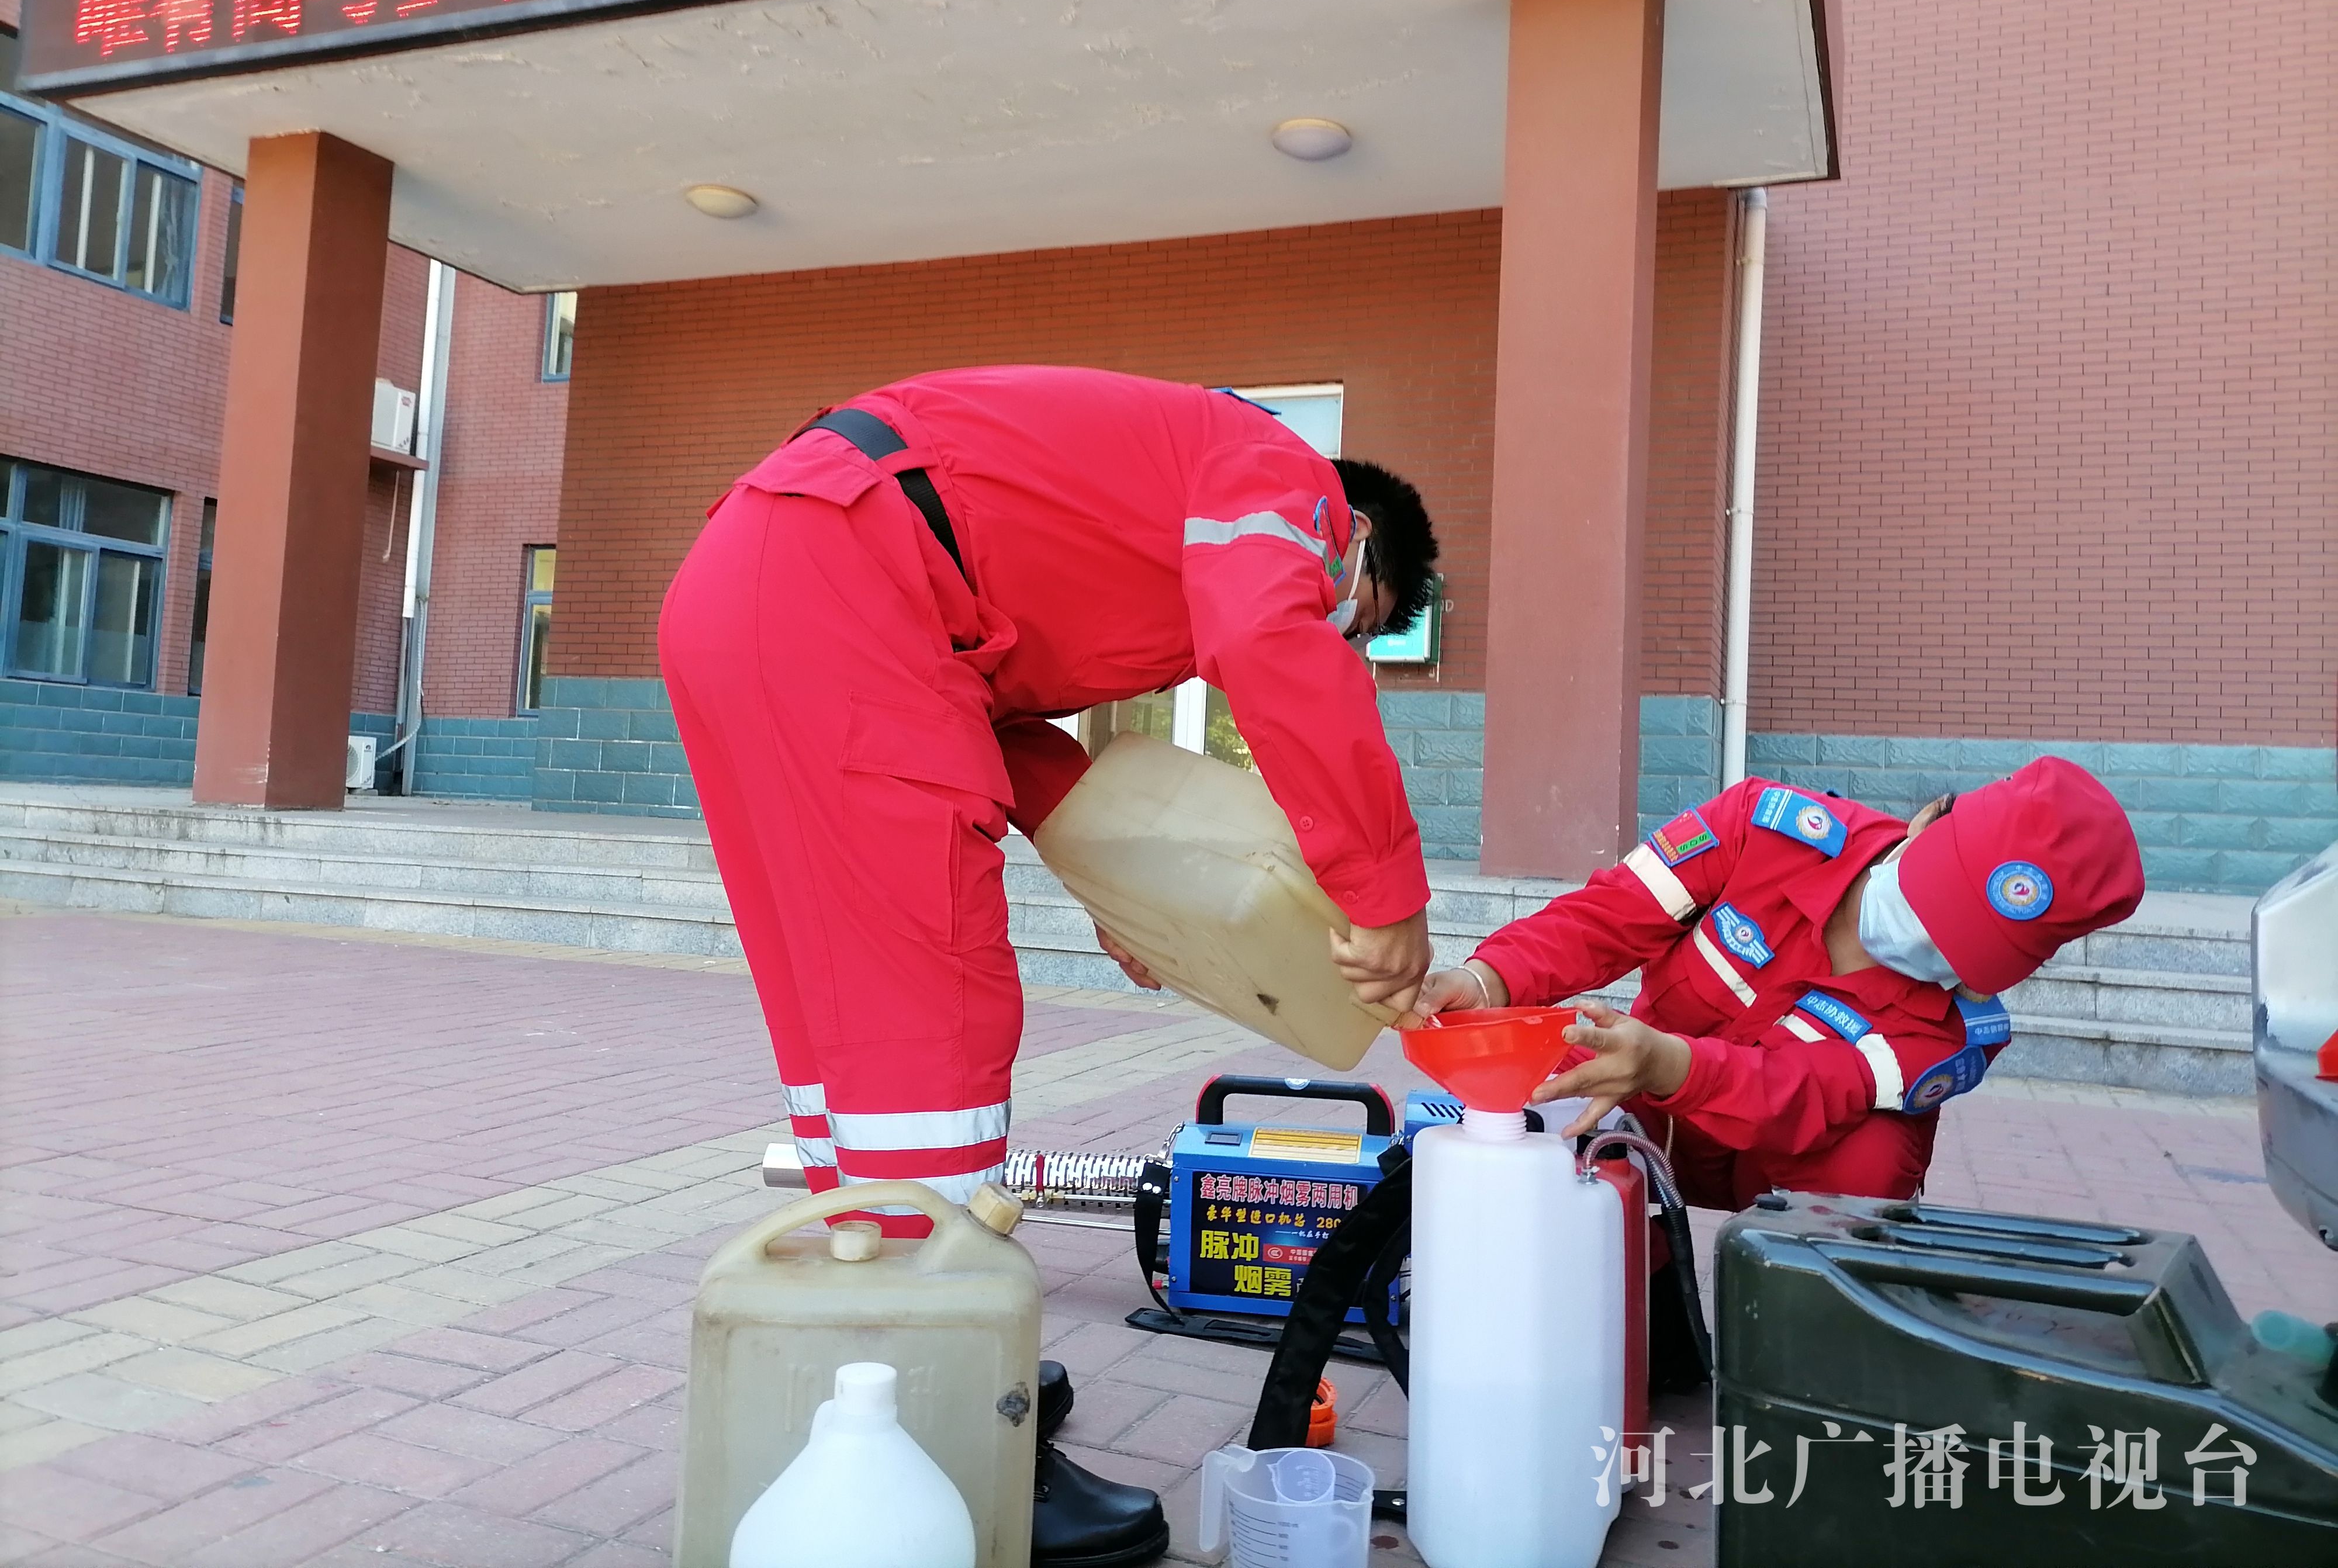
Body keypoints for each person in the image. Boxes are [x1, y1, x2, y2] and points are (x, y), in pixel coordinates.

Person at [658, 366, 1440, 1567]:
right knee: (927, 1027)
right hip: (847, 594)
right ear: (1362, 537)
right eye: (1365, 615)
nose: (1348, 632)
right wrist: (1385, 894)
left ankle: (879, 1354)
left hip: (759, 588)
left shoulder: (1143, 499)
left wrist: (1135, 893)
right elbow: (1271, 643)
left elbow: (1003, 718)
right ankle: (941, 1435)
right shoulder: (1289, 482)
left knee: (842, 1035)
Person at [1376, 757, 2145, 1209]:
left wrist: (1670, 1065)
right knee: (1527, 1059)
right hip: (1643, 1104)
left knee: (1875, 1158)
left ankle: (1805, 1321)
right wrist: (1488, 980)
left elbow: (1798, 1094)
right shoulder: (1766, 827)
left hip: (1766, 1153)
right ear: (1925, 821)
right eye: (1930, 904)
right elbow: (1609, 919)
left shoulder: (1955, 1035)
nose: (1929, 942)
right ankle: (1640, 1272)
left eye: (1965, 949)